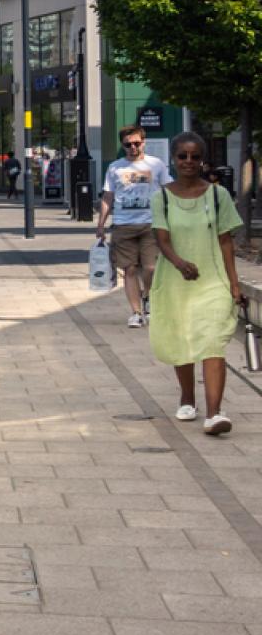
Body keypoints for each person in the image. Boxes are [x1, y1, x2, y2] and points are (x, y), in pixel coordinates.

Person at [149, 132, 244, 435]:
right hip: (175, 282)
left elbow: (226, 241)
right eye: (182, 156)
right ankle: (187, 397)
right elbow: (161, 239)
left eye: (194, 156)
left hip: (212, 281)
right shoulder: (161, 197)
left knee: (212, 340)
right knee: (183, 340)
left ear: (203, 160)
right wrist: (179, 263)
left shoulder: (218, 196)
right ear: (174, 160)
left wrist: (234, 283)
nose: (188, 162)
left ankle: (215, 413)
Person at [95, 126, 170, 329]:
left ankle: (147, 297)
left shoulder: (156, 164)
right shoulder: (115, 168)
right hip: (123, 224)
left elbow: (168, 190)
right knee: (129, 269)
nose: (133, 147)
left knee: (151, 268)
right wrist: (101, 224)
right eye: (128, 144)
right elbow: (108, 197)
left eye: (137, 143)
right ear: (123, 145)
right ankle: (136, 313)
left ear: (143, 142)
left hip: (151, 224)